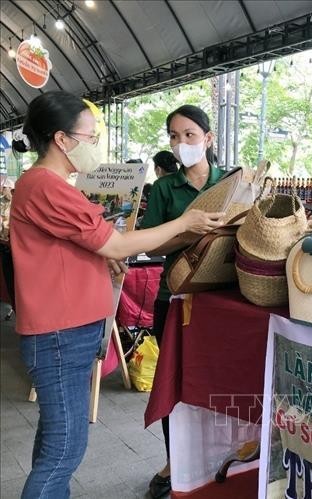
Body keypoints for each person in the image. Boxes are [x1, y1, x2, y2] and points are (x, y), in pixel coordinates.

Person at [9, 91, 226, 499]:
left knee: (57, 441)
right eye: (90, 137)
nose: (95, 146)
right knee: (64, 448)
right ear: (61, 139)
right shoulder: (45, 185)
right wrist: (185, 221)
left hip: (69, 328)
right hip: (60, 332)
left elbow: (83, 243)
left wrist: (99, 258)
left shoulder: (54, 185)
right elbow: (117, 243)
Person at [140, 104, 223, 498]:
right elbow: (152, 243)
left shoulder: (230, 182)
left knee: (215, 384)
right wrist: (189, 232)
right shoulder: (163, 189)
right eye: (174, 136)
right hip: (174, 298)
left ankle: (218, 457)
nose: (181, 143)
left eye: (189, 135)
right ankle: (175, 461)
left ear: (208, 138)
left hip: (222, 300)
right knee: (174, 383)